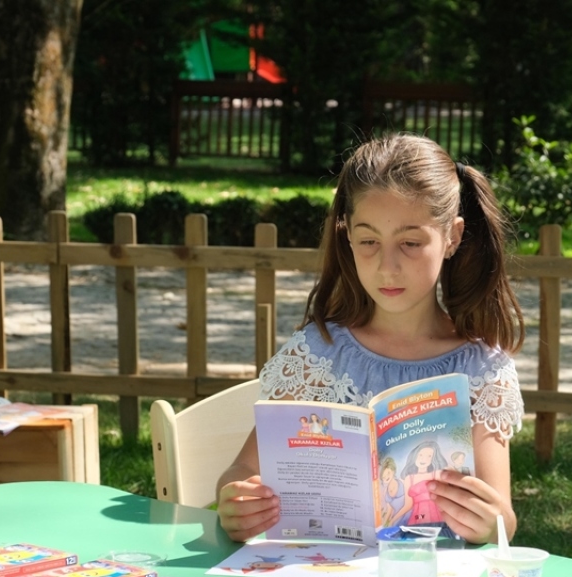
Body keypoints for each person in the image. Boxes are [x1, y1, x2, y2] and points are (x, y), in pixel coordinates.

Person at [216, 133, 526, 545]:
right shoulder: (317, 354)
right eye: (368, 242)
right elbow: (240, 472)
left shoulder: (481, 367)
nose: (387, 267)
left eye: (410, 243)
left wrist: (490, 523)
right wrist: (236, 501)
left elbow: (502, 516)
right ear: (347, 236)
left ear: (452, 237)